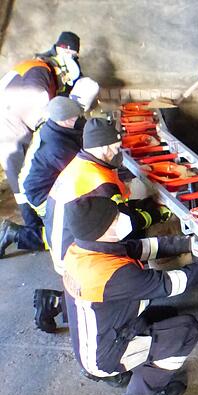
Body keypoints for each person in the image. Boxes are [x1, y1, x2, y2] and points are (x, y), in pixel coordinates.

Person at [61, 196, 198, 395]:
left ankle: (126, 368)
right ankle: (141, 393)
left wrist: (188, 243)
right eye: (115, 218)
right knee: (187, 329)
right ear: (102, 229)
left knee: (166, 315)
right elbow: (174, 284)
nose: (122, 218)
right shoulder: (112, 275)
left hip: (91, 343)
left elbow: (140, 248)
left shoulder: (82, 249)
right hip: (105, 355)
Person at [38, 118, 170, 333]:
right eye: (117, 147)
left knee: (92, 290)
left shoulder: (85, 164)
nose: (119, 151)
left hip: (63, 240)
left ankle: (57, 302)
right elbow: (122, 225)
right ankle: (55, 304)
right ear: (105, 148)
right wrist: (156, 213)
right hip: (75, 251)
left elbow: (117, 204)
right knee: (109, 287)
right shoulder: (98, 182)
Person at [0, 32, 81, 232]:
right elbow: (39, 105)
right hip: (9, 124)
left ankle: (34, 224)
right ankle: (31, 228)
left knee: (28, 170)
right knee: (21, 175)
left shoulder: (37, 66)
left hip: (14, 118)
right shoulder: (40, 72)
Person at [0, 96, 82, 259]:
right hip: (40, 192)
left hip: (37, 181)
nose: (77, 119)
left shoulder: (52, 125)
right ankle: (16, 234)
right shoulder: (56, 147)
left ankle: (20, 232)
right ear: (63, 120)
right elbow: (81, 171)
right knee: (66, 234)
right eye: (74, 118)